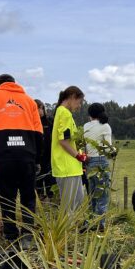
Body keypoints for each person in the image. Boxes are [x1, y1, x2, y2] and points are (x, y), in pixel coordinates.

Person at [0, 74, 43, 246]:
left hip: (3, 157)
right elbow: (39, 134)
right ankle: (27, 236)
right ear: (14, 84)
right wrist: (38, 159)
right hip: (27, 156)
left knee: (6, 197)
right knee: (28, 197)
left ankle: (11, 236)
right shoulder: (29, 101)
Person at [51, 86, 87, 214]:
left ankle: (73, 231)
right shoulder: (64, 113)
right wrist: (79, 156)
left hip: (71, 168)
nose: (79, 106)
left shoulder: (63, 112)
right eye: (79, 102)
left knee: (78, 200)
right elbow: (63, 141)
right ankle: (67, 232)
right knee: (69, 206)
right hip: (66, 167)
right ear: (72, 97)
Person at [83, 103, 114, 229]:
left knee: (92, 194)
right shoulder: (105, 126)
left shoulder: (86, 126)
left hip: (89, 162)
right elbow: (107, 148)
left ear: (90, 114)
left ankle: (89, 221)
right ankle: (100, 223)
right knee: (102, 195)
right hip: (101, 161)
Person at [34, 99, 55, 200]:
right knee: (38, 178)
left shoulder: (49, 120)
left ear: (42, 108)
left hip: (49, 154)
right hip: (37, 155)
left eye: (39, 109)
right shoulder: (32, 121)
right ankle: (40, 197)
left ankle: (51, 197)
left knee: (49, 177)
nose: (38, 111)